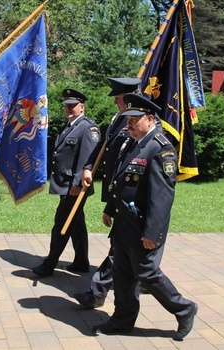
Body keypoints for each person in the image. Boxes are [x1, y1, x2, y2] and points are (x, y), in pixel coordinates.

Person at [92, 94, 198, 341]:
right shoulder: (132, 142)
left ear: (150, 119)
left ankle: (183, 308)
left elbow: (161, 197)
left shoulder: (161, 149)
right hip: (124, 224)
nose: (129, 124)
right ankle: (121, 319)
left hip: (142, 227)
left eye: (135, 120)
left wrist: (153, 233)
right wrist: (110, 208)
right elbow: (121, 181)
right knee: (122, 273)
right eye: (127, 119)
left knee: (147, 273)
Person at [74, 77, 141, 308]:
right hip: (116, 190)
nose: (115, 101)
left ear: (131, 97)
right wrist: (87, 167)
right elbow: (103, 145)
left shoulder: (143, 122)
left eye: (119, 97)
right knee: (133, 252)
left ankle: (97, 291)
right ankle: (148, 279)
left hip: (130, 195)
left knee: (120, 246)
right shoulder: (118, 120)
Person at [31, 88, 100, 277]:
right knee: (77, 224)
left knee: (62, 224)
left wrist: (78, 184)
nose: (69, 108)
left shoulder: (87, 128)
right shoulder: (70, 125)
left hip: (75, 187)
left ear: (82, 107)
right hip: (67, 185)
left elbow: (88, 159)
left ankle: (49, 264)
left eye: (73, 105)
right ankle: (81, 262)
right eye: (66, 105)